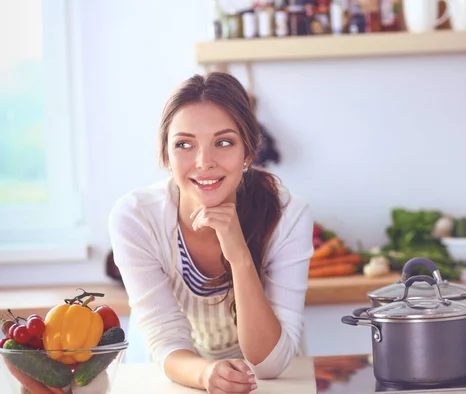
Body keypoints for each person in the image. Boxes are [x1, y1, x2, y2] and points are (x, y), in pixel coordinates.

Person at [108, 72, 314, 393]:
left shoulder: (288, 215)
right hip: (175, 377)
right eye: (184, 145)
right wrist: (207, 374)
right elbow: (166, 339)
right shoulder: (135, 218)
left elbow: (269, 364)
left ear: (248, 153)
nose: (204, 162)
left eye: (223, 142)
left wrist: (239, 257)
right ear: (166, 155)